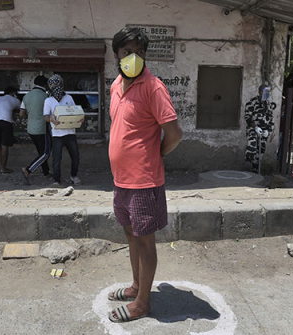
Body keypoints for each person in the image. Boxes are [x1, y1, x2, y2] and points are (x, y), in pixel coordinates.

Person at [105, 27, 182, 323]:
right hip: (120, 180)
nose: (133, 58)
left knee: (145, 240)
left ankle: (143, 303)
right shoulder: (116, 86)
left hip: (144, 180)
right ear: (117, 56)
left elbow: (174, 134)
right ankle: (137, 287)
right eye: (127, 52)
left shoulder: (154, 87)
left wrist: (156, 154)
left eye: (139, 52)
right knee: (130, 234)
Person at [43, 74, 82, 186]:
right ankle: (57, 180)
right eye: (54, 84)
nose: (56, 86)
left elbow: (75, 111)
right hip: (57, 135)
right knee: (56, 159)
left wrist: (79, 118)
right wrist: (52, 120)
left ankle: (74, 176)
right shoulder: (48, 101)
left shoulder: (68, 98)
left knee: (75, 156)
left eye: (58, 83)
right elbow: (45, 116)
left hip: (70, 133)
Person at [20, 75, 50, 183]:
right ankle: (28, 169)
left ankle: (46, 172)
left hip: (31, 129)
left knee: (40, 151)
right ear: (45, 85)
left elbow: (21, 113)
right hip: (42, 129)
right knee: (45, 153)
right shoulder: (46, 96)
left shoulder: (26, 96)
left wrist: (30, 118)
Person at [244, 85, 276, 173]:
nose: (266, 94)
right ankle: (248, 163)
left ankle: (255, 171)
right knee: (252, 145)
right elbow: (247, 118)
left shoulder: (269, 105)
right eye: (265, 92)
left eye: (268, 92)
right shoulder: (252, 103)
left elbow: (271, 121)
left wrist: (268, 131)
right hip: (253, 130)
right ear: (260, 92)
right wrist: (255, 127)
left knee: (260, 153)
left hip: (263, 132)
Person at [0, 86, 21, 174]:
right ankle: (3, 168)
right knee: (5, 145)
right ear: (13, 93)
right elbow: (20, 107)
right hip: (5, 122)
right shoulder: (14, 100)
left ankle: (1, 166)